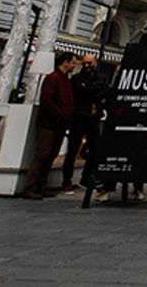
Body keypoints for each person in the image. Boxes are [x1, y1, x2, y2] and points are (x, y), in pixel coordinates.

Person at [20, 51, 78, 200]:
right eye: (73, 62)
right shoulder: (53, 78)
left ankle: (41, 185)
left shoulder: (65, 79)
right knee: (42, 154)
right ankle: (30, 187)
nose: (74, 65)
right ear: (65, 62)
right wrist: (60, 114)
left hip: (59, 124)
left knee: (51, 155)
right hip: (49, 124)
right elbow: (46, 100)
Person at [62, 55, 107, 193]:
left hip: (93, 118)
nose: (87, 66)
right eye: (85, 63)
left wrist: (92, 92)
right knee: (73, 150)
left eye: (89, 63)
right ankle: (66, 181)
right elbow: (83, 92)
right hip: (79, 118)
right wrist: (95, 92)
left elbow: (105, 91)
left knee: (95, 149)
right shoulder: (76, 79)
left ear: (95, 63)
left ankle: (87, 179)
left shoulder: (101, 78)